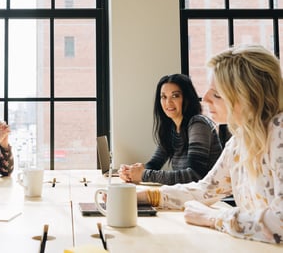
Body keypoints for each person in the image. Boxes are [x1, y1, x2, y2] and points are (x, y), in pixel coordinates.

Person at [138, 44, 283, 244]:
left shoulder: (280, 132)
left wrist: (213, 218)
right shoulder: (240, 141)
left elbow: (281, 221)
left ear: (248, 97)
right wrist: (143, 196)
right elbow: (204, 190)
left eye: (216, 93)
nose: (205, 98)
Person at [119, 74, 223, 185]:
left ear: (187, 98)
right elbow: (154, 164)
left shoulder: (198, 124)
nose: (168, 102)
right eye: (163, 97)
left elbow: (194, 175)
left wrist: (144, 175)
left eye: (175, 96)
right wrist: (132, 171)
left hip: (211, 199)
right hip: (189, 196)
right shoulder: (171, 128)